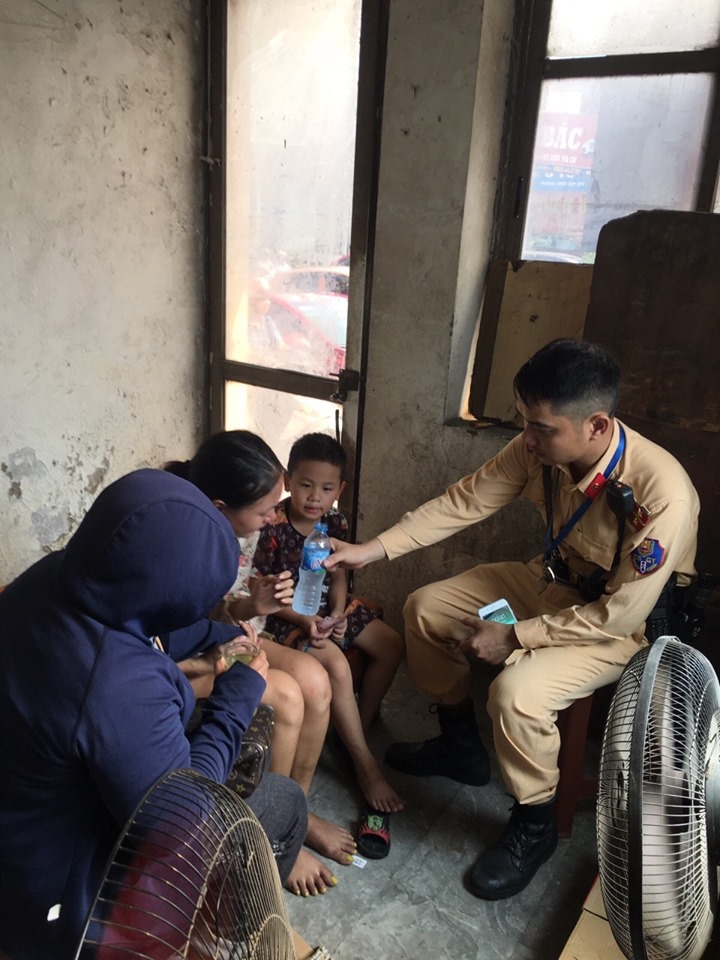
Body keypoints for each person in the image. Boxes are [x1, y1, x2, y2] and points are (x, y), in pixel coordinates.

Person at [323, 338, 700, 899]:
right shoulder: (537, 449)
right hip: (551, 583)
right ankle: (460, 745)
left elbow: (620, 615)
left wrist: (516, 637)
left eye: (540, 427)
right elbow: (463, 502)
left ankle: (534, 824)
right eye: (524, 421)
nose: (526, 438)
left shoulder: (660, 492)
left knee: (516, 694)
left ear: (596, 426)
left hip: (618, 623)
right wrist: (370, 550)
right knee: (425, 609)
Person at [0, 469, 308, 960]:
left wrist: (220, 634)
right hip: (64, 904)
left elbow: (151, 626)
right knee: (283, 803)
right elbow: (181, 820)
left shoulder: (59, 576)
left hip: (24, 824)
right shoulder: (114, 685)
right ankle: (215, 941)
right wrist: (236, 698)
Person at [165, 431, 357, 896]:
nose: (275, 517)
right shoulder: (187, 543)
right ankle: (274, 831)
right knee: (287, 694)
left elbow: (220, 611)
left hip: (218, 635)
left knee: (315, 679)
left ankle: (296, 812)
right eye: (266, 510)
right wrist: (216, 657)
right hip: (180, 655)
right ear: (220, 506)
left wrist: (253, 607)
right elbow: (167, 635)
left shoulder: (233, 532)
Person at [254, 432, 405, 838]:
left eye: (326, 488)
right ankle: (364, 764)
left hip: (326, 608)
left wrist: (338, 612)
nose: (314, 497)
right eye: (305, 485)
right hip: (287, 616)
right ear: (288, 481)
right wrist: (307, 621)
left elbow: (339, 575)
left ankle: (356, 732)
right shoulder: (273, 527)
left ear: (340, 489)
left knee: (391, 645)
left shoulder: (334, 522)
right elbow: (263, 593)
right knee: (336, 663)